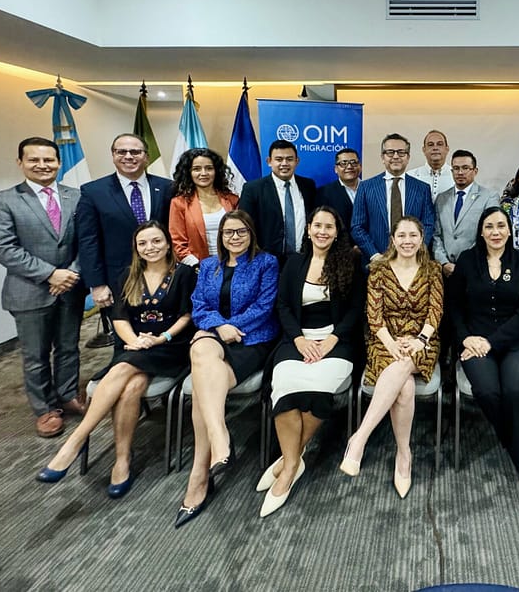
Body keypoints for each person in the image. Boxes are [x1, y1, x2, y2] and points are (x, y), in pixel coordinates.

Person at [36, 222, 195, 497]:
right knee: (131, 387)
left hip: (171, 347)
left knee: (123, 368)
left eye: (157, 241)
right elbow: (119, 317)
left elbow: (187, 316)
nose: (150, 248)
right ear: (136, 248)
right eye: (143, 243)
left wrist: (160, 339)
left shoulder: (184, 274)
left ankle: (75, 441)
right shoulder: (128, 275)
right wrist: (135, 341)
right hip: (136, 345)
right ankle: (122, 460)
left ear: (168, 244)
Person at [175, 210, 279, 528]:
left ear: (251, 233)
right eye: (228, 232)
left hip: (252, 340)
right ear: (220, 236)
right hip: (215, 338)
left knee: (202, 376)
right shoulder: (208, 266)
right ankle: (218, 439)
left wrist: (230, 327)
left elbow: (264, 307)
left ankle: (199, 475)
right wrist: (220, 327)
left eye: (241, 231)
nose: (235, 237)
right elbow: (199, 306)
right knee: (202, 352)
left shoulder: (266, 263)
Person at [258, 207, 363, 517]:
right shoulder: (293, 262)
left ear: (337, 232)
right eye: (317, 225)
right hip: (297, 340)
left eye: (329, 226)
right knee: (286, 391)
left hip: (337, 341)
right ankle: (293, 462)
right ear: (308, 229)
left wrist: (332, 339)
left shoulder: (349, 263)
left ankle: (286, 464)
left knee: (317, 392)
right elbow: (283, 306)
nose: (322, 231)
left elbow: (355, 309)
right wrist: (299, 340)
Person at [0, 137, 85, 438]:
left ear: (59, 162)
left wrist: (72, 272)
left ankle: (67, 395)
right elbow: (3, 247)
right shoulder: (4, 200)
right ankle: (45, 409)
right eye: (34, 160)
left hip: (71, 287)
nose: (42, 165)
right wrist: (50, 274)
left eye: (49, 160)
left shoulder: (76, 196)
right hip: (29, 290)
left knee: (68, 347)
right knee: (36, 355)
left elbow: (87, 240)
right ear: (21, 163)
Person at [341, 216, 444, 499]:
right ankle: (404, 454)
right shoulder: (378, 269)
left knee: (405, 364)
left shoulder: (433, 269)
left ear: (421, 239)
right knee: (405, 387)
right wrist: (391, 343)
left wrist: (419, 340)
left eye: (413, 235)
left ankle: (359, 438)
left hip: (423, 340)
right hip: (384, 339)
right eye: (402, 235)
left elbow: (435, 311)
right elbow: (373, 315)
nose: (407, 241)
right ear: (393, 239)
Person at [447, 207, 519, 494]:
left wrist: (491, 342)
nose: (495, 232)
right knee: (487, 392)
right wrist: (465, 339)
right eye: (489, 226)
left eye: (501, 226)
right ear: (481, 231)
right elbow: (453, 307)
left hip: (516, 342)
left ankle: (518, 447)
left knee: (515, 391)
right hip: (474, 341)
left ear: (510, 231)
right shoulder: (467, 260)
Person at [77, 133, 173, 342]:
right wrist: (97, 284)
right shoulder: (93, 192)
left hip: (164, 275)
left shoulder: (168, 187)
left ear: (146, 156)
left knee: (167, 332)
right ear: (113, 155)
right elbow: (88, 241)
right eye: (122, 152)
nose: (129, 156)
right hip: (119, 279)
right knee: (126, 338)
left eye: (135, 152)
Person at [351, 133, 436, 264]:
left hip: (413, 262)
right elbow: (357, 227)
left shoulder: (422, 188)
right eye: (390, 152)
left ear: (408, 157)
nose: (396, 156)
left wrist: (416, 251)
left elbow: (428, 225)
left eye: (401, 152)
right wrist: (374, 255)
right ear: (382, 157)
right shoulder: (366, 187)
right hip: (376, 262)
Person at [238, 139, 317, 265]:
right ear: (269, 161)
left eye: (289, 159)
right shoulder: (253, 189)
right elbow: (245, 225)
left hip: (303, 258)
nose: (284, 163)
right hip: (266, 260)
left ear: (297, 161)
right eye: (279, 159)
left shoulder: (308, 186)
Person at [432, 149, 499, 276]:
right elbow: (436, 235)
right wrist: (444, 262)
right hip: (446, 270)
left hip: (476, 268)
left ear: (475, 171)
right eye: (456, 168)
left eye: (465, 168)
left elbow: (490, 234)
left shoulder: (489, 197)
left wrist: (466, 263)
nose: (460, 172)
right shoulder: (441, 198)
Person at [169, 148, 239, 266]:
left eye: (209, 168)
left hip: (233, 263)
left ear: (216, 171)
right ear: (188, 172)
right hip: (198, 267)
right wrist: (199, 267)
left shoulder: (232, 200)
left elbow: (242, 234)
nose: (203, 173)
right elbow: (178, 243)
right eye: (197, 169)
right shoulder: (179, 203)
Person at [315, 147, 361, 248]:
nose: (349, 166)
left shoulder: (371, 189)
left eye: (354, 163)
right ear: (336, 169)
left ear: (360, 166)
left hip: (370, 251)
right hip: (338, 249)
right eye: (343, 163)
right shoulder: (324, 193)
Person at [406, 129, 453, 199]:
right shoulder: (410, 176)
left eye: (439, 144)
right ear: (424, 149)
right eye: (430, 145)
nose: (435, 148)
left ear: (447, 148)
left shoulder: (456, 176)